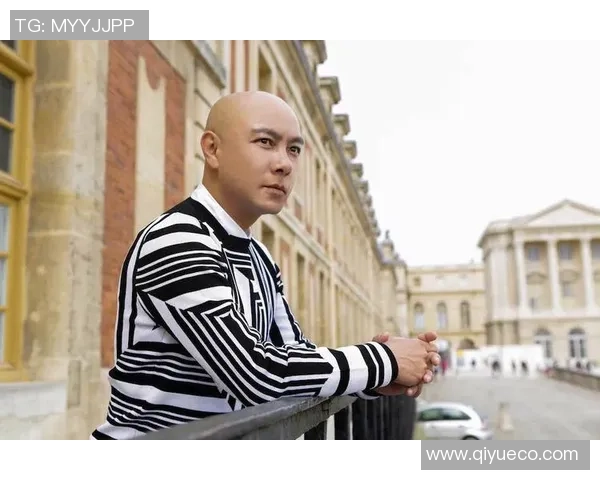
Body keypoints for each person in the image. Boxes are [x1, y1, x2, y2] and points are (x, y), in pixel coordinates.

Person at [91, 91, 440, 440]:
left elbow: (295, 357)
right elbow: (255, 375)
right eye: (265, 142)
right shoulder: (177, 240)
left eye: (294, 149)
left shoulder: (258, 255)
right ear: (212, 149)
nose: (284, 164)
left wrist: (377, 378)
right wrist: (383, 360)